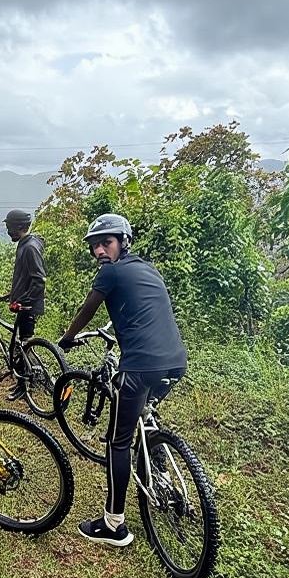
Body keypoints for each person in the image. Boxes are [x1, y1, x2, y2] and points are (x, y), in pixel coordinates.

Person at [57, 213, 187, 546]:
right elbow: (144, 310)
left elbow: (88, 309)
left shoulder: (110, 273)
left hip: (140, 366)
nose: (100, 251)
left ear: (123, 242)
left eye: (106, 243)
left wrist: (68, 337)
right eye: (95, 246)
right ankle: (160, 476)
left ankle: (113, 524)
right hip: (175, 363)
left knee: (118, 441)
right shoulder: (147, 269)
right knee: (147, 416)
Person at [1, 209, 46, 401]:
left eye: (9, 227)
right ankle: (23, 382)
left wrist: (22, 301)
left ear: (18, 227)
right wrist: (11, 295)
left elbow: (39, 280)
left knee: (22, 346)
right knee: (20, 345)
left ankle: (24, 385)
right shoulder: (25, 244)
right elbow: (26, 278)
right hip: (23, 304)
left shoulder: (29, 247)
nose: (7, 230)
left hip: (28, 307)